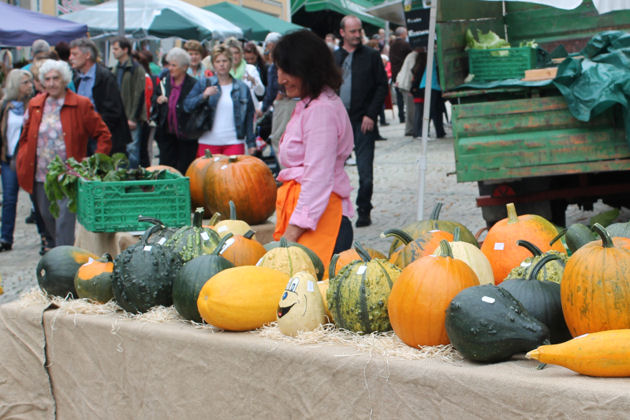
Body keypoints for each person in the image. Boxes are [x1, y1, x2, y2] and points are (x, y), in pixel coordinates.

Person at [272, 30, 354, 268]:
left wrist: (292, 233)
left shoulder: (321, 111)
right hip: (312, 217)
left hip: (320, 220)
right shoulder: (311, 104)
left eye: (286, 71)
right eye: (278, 69)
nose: (280, 79)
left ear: (307, 69)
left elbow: (318, 177)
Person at [16, 59, 112, 248]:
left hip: (67, 175)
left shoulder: (80, 104)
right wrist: (22, 156)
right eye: (48, 79)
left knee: (64, 222)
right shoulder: (36, 104)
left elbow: (103, 134)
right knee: (45, 215)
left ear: (64, 80)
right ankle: (57, 250)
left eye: (56, 78)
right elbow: (26, 135)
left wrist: (94, 160)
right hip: (40, 174)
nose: (51, 83)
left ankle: (65, 261)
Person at [334, 15, 388, 228]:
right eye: (353, 32)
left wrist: (371, 114)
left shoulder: (371, 56)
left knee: (365, 172)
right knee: (332, 170)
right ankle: (336, 212)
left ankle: (364, 209)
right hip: (337, 123)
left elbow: (382, 86)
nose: (357, 35)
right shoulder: (333, 58)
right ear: (342, 33)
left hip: (362, 120)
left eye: (359, 31)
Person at [183, 45, 255, 156]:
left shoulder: (242, 87)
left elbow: (249, 116)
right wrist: (204, 95)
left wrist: (251, 143)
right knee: (207, 173)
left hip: (234, 141)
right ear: (213, 64)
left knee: (234, 173)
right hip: (208, 141)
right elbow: (187, 105)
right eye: (218, 61)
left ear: (231, 62)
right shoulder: (204, 83)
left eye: (225, 61)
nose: (222, 64)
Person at [69, 37, 132, 156]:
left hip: (103, 138)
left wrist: (96, 128)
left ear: (87, 55)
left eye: (74, 54)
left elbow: (113, 111)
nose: (70, 58)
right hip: (85, 138)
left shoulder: (104, 77)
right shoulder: (77, 79)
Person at [0, 69, 34, 252]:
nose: (30, 85)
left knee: (36, 199)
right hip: (9, 159)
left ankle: (46, 237)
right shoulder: (5, 106)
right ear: (15, 85)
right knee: (9, 199)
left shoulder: (34, 104)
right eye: (25, 82)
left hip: (28, 158)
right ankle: (5, 237)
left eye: (30, 82)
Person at [153, 48, 198, 174]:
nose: (170, 68)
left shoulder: (193, 84)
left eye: (174, 65)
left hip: (186, 136)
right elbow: (154, 97)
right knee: (166, 170)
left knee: (184, 169)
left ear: (184, 67)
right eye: (169, 65)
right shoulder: (164, 81)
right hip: (166, 135)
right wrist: (158, 99)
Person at [111, 37, 146, 168]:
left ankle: (132, 178)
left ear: (125, 50)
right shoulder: (116, 68)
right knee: (120, 150)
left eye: (116, 49)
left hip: (131, 117)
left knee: (132, 150)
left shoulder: (135, 68)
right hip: (119, 116)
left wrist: (132, 117)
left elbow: (139, 94)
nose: (113, 52)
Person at [224, 37, 265, 114]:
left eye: (237, 53)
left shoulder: (250, 69)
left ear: (241, 54)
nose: (235, 56)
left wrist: (253, 81)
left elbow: (261, 92)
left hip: (249, 111)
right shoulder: (224, 71)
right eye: (231, 53)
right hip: (230, 112)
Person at [390, 27, 412, 125]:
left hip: (395, 73)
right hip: (404, 73)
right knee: (407, 97)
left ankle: (401, 116)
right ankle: (407, 117)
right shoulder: (405, 44)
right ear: (403, 34)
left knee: (399, 98)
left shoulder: (392, 45)